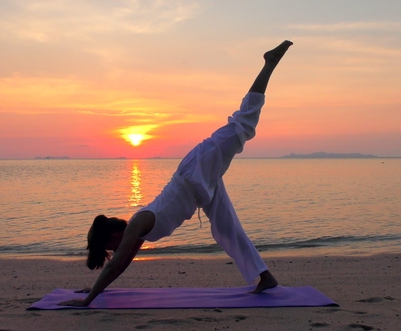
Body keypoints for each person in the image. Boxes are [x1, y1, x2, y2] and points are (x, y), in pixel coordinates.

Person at [59, 40, 293, 307]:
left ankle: (269, 63)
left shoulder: (138, 223)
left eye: (111, 248)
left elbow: (115, 266)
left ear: (114, 236)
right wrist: (94, 291)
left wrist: (88, 300)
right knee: (227, 228)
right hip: (201, 188)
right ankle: (266, 277)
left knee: (242, 126)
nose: (116, 252)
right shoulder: (137, 234)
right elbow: (119, 267)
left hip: (196, 170)